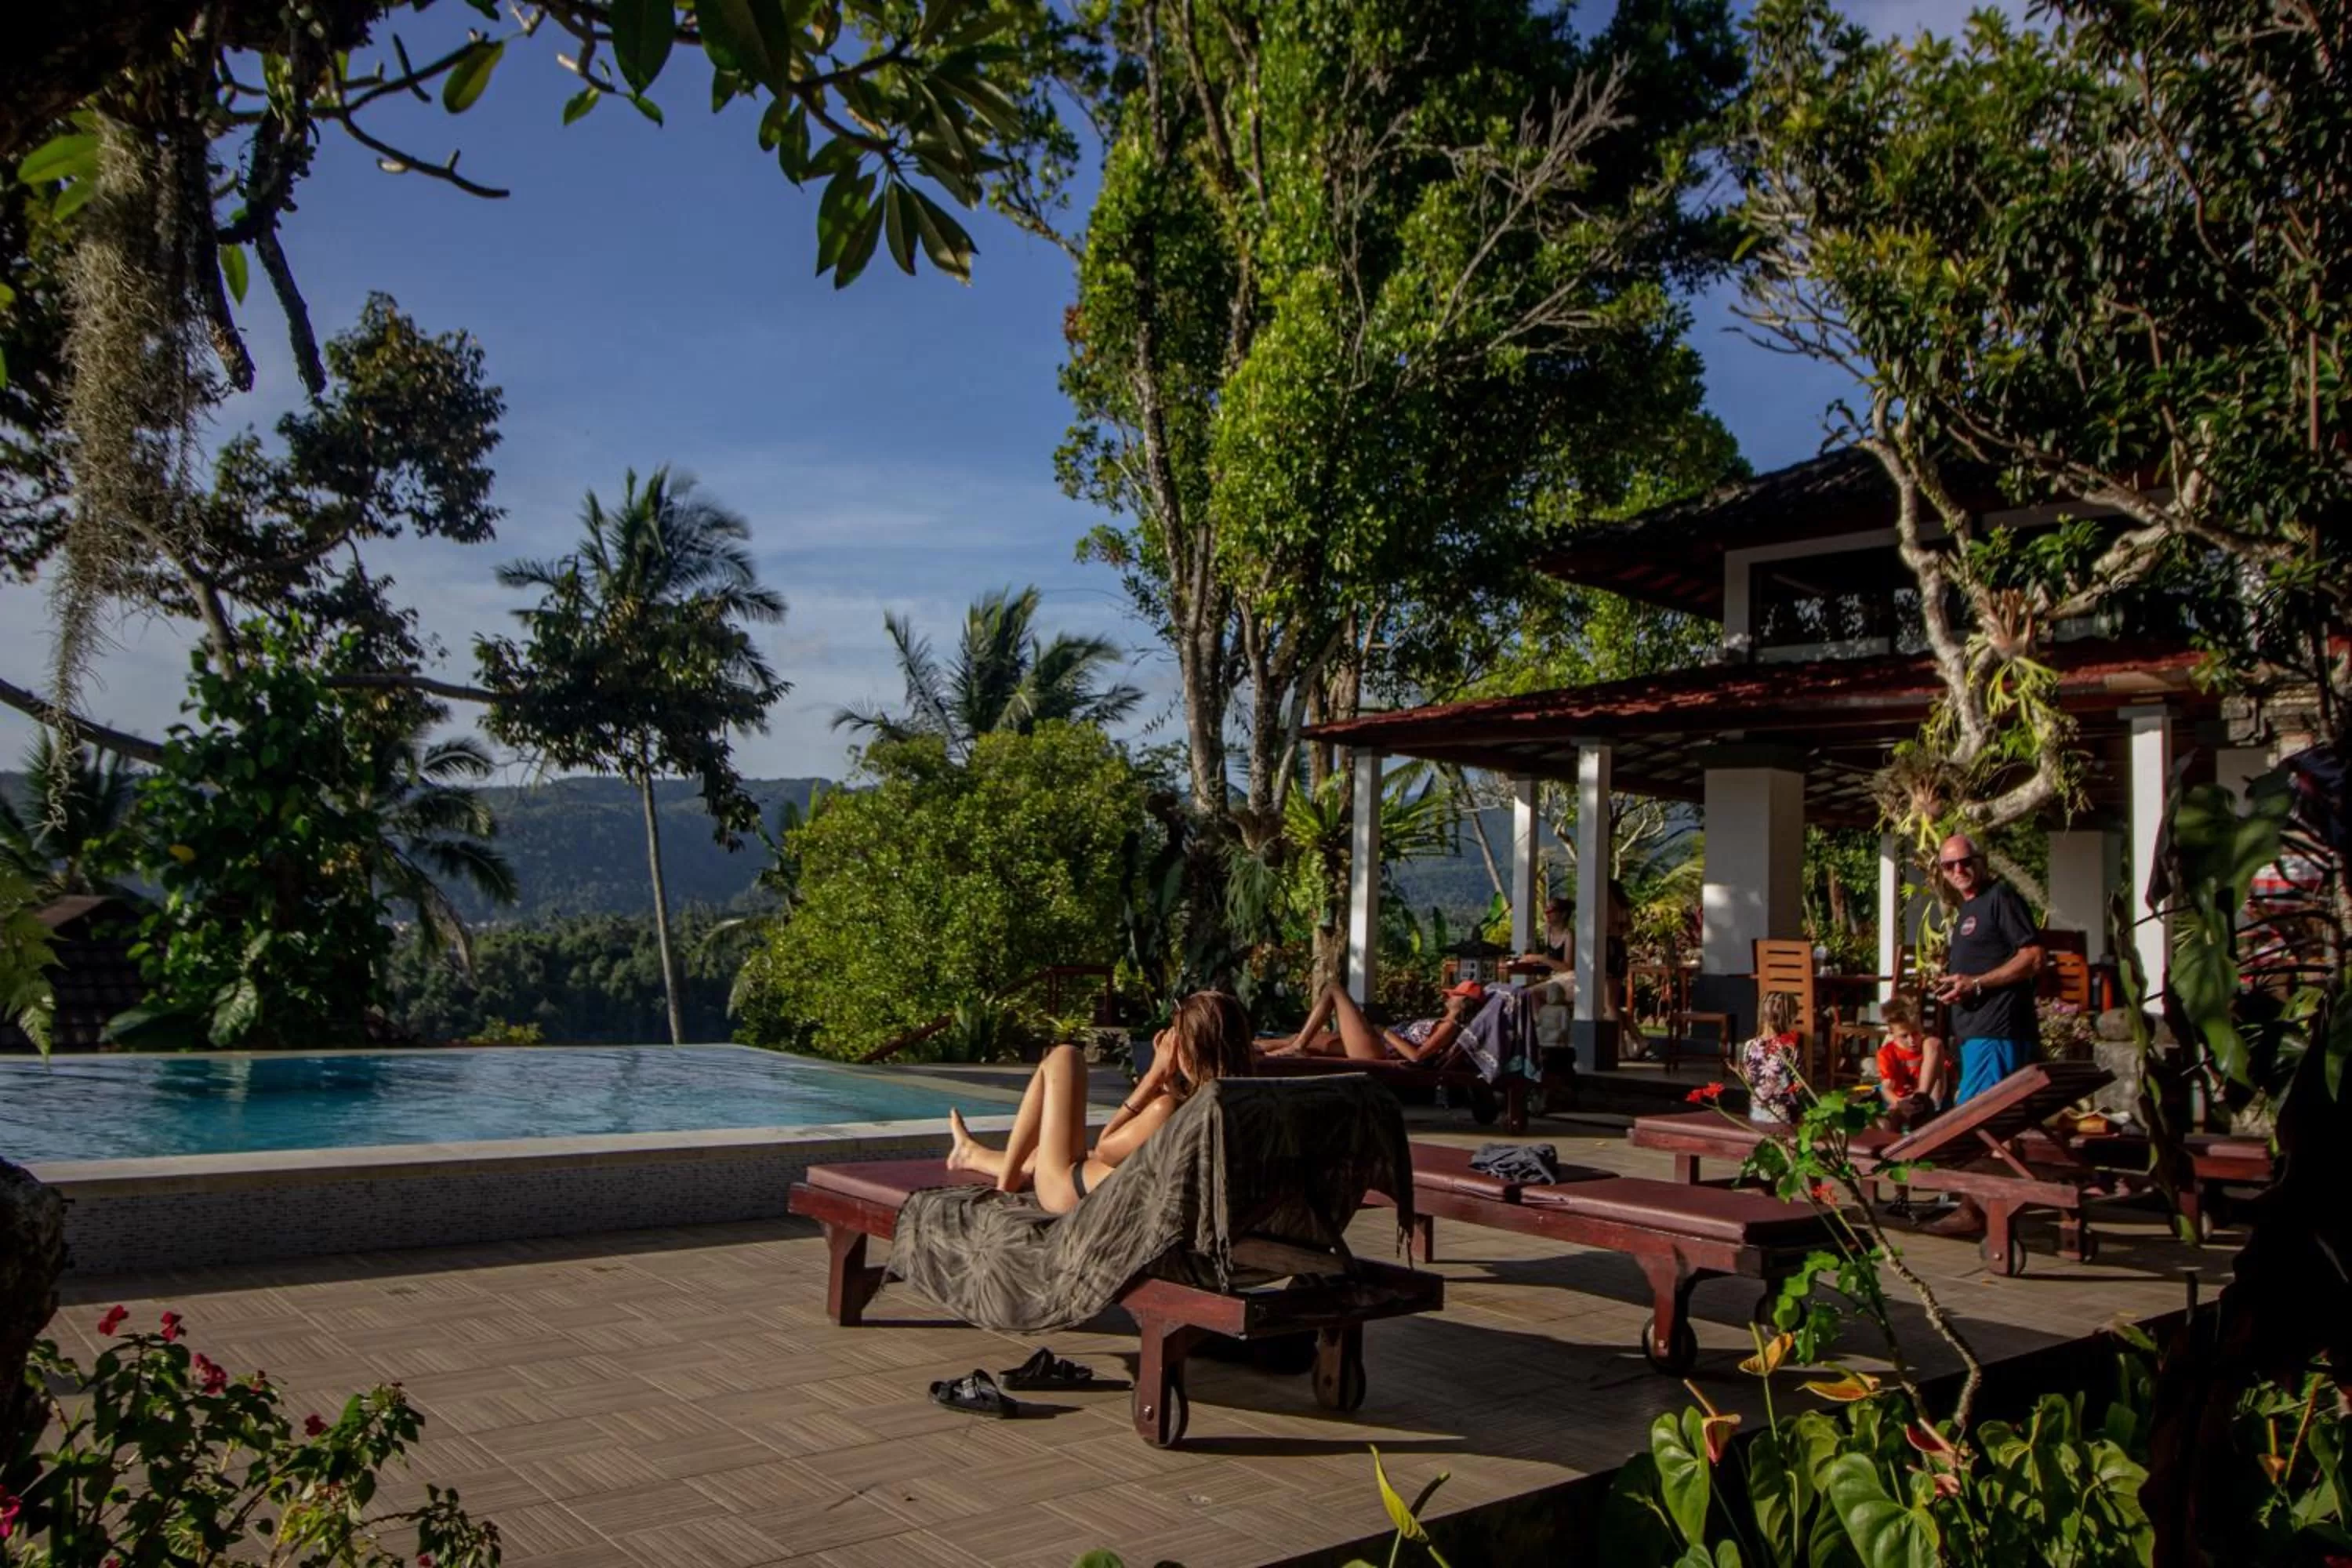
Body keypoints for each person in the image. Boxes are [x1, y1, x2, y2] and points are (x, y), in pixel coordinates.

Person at [945, 990, 1254, 1216]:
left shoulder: (1167, 1111)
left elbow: (1106, 1147)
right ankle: (969, 1154)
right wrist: (1171, 1084)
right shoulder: (1241, 1103)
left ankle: (1004, 1187)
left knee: (1065, 1058)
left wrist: (1152, 1077)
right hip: (1104, 1183)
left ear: (1186, 1052)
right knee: (1039, 1154)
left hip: (1068, 1193)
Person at [1923, 832, 2043, 1236]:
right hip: (1977, 1034)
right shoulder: (1970, 908)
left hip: (1997, 1032)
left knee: (1977, 1122)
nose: (1958, 869)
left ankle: (1977, 1210)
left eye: (1965, 861)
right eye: (1949, 865)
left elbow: (2033, 957)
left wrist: (1977, 984)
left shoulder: (2000, 898)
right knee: (1997, 1125)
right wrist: (1958, 984)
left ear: (1982, 861)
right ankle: (1993, 1207)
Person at [1263, 979, 1485, 1064]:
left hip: (1380, 1048)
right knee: (1303, 1040)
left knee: (1333, 989)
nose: (1448, 997)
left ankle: (1297, 1047)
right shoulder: (1442, 1022)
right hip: (1376, 1042)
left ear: (1464, 1003)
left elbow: (1416, 1056)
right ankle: (1251, 1048)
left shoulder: (1449, 1027)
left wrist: (1384, 1032)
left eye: (1455, 995)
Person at [1872, 996, 1945, 1130]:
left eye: (1916, 1033)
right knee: (1884, 1121)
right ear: (1891, 1033)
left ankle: (1921, 1101)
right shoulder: (1887, 1052)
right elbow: (1886, 1088)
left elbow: (1945, 1078)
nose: (1912, 1040)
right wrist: (1900, 1103)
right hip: (1902, 1101)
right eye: (1904, 1036)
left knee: (1933, 1043)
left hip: (1929, 1100)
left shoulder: (1928, 1046)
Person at [1740, 989, 1805, 1125]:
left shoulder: (1749, 1046)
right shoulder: (1789, 1049)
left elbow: (1748, 1080)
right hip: (1784, 1115)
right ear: (1790, 1017)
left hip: (1757, 1113)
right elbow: (1799, 1087)